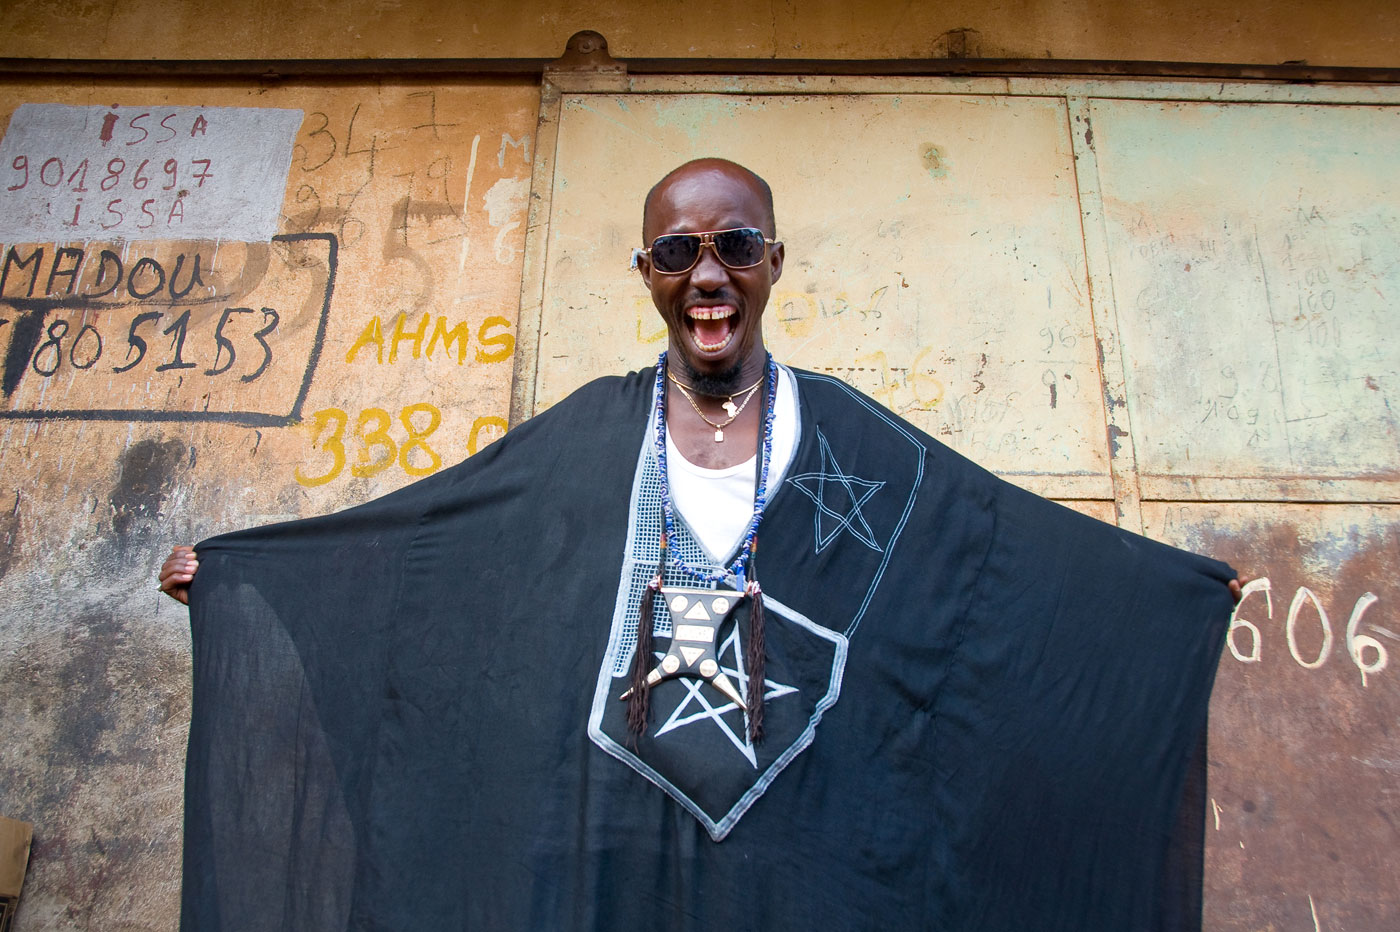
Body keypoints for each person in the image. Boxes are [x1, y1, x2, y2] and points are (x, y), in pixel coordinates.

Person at [162, 158, 1241, 931]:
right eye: (678, 250)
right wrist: (244, 583)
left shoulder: (852, 439)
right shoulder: (587, 434)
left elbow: (991, 550)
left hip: (802, 863)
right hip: (602, 857)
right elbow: (439, 556)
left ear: (772, 261)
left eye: (734, 245)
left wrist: (1162, 601)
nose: (708, 270)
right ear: (646, 272)